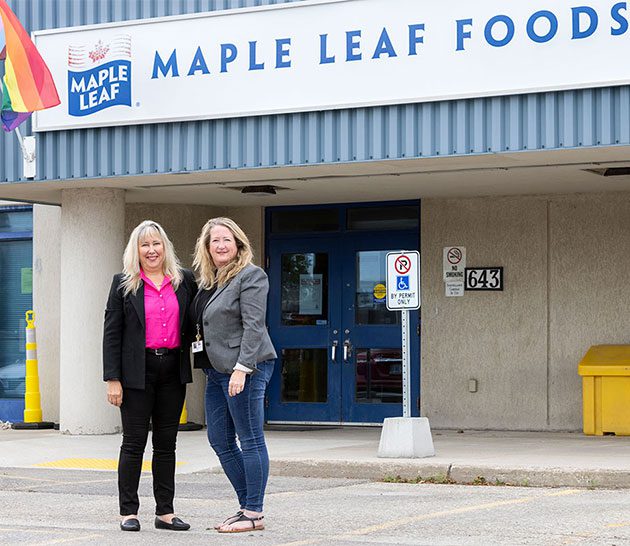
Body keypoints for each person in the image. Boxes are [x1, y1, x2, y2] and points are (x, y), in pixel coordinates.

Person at [103, 220, 197, 532]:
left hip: (172, 369)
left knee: (166, 444)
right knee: (133, 444)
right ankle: (128, 512)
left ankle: (165, 512)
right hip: (135, 373)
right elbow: (112, 335)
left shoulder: (184, 281)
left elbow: (198, 321)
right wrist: (112, 378)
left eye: (157, 244)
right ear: (136, 250)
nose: (151, 250)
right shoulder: (123, 284)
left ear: (165, 247)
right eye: (145, 245)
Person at [191, 217, 276, 533]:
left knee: (250, 437)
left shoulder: (251, 276)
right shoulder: (208, 282)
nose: (221, 245)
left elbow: (255, 326)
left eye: (227, 239)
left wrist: (242, 370)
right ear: (207, 247)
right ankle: (247, 506)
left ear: (238, 244)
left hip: (246, 368)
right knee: (219, 440)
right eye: (215, 241)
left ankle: (253, 512)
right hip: (215, 371)